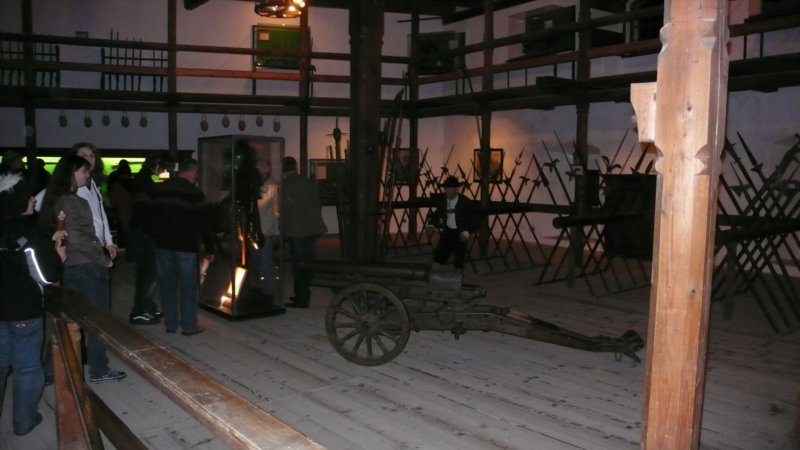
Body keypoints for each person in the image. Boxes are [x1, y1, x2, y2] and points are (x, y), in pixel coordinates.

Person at [39, 154, 127, 384]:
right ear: (72, 173)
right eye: (84, 171)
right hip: (88, 266)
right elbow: (78, 237)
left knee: (70, 318)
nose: (87, 175)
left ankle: (52, 370)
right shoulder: (71, 200)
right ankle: (98, 369)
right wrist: (103, 259)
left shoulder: (60, 198)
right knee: (98, 320)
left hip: (73, 265)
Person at [0, 171, 65, 436]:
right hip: (23, 308)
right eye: (29, 197)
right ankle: (24, 421)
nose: (34, 201)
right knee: (26, 367)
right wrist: (58, 256)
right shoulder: (29, 233)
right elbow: (46, 276)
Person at [147, 159, 215, 335]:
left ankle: (170, 324)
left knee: (166, 286)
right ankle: (188, 325)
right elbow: (204, 224)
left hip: (163, 244)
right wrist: (210, 248)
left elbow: (148, 215)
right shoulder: (194, 193)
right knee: (187, 287)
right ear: (192, 172)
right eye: (197, 173)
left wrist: (154, 237)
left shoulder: (159, 189)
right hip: (186, 246)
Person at [280, 156, 326, 308]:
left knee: (299, 264)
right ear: (295, 167)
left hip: (297, 230)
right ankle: (303, 293)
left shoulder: (285, 185)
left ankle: (302, 297)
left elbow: (284, 209)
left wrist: (281, 227)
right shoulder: (306, 181)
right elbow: (317, 202)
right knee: (307, 261)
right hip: (310, 228)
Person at [127, 155, 163, 324]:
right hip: (145, 233)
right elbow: (144, 209)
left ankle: (146, 307)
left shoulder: (142, 179)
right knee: (147, 274)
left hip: (142, 231)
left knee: (147, 274)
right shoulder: (145, 181)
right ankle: (140, 310)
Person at [427, 175, 478, 270]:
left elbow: (475, 218)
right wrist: (431, 225)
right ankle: (433, 272)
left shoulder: (465, 202)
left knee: (460, 252)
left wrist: (467, 233)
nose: (446, 191)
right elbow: (436, 214)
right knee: (440, 251)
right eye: (445, 188)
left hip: (461, 230)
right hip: (449, 229)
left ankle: (458, 274)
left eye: (449, 188)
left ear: (456, 189)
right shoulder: (444, 201)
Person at [249, 157, 280, 298]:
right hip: (254, 228)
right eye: (257, 167)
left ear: (268, 169)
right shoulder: (254, 184)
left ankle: (269, 289)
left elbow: (276, 209)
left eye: (261, 167)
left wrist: (276, 230)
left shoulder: (273, 186)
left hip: (266, 228)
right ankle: (259, 285)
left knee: (265, 259)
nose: (258, 169)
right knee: (255, 259)